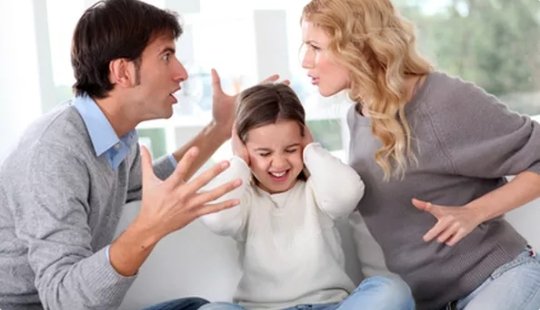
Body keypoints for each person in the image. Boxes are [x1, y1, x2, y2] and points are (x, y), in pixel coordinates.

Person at [0, 0, 282, 309]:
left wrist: (218, 129)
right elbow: (64, 300)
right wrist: (150, 227)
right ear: (122, 71)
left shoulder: (116, 135)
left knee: (202, 306)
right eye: (166, 56)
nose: (182, 73)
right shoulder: (54, 153)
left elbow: (147, 185)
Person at [299, 0, 540, 309]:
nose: (306, 61)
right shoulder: (356, 117)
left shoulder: (439, 99)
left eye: (315, 47)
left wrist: (475, 211)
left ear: (357, 46)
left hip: (498, 278)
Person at [198, 83, 414, 310]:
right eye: (264, 153)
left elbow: (348, 194)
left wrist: (311, 150)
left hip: (329, 305)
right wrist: (239, 161)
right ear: (243, 147)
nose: (279, 163)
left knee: (392, 290)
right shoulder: (245, 199)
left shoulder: (317, 189)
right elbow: (217, 219)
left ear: (304, 139)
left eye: (291, 149)